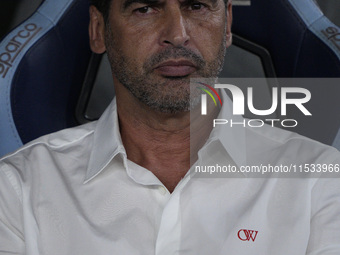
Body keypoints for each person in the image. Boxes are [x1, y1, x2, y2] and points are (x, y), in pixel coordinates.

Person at [0, 0, 340, 254]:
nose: (177, 34)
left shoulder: (322, 180)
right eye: (146, 8)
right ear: (99, 30)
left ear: (227, 25)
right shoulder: (17, 188)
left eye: (197, 6)